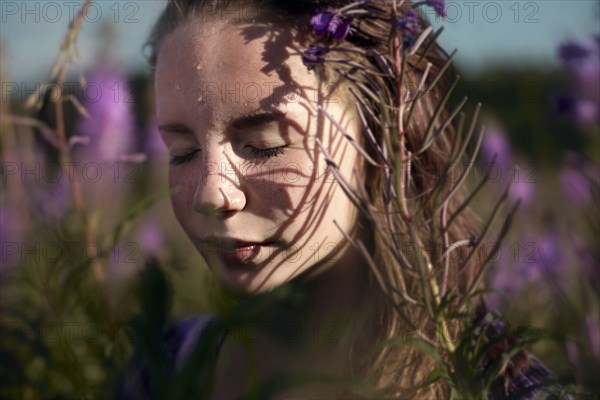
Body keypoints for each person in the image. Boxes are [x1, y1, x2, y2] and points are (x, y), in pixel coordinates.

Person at [118, 1, 555, 398]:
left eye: (264, 144)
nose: (210, 195)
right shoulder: (163, 371)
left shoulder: (494, 384)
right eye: (183, 153)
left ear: (384, 131)